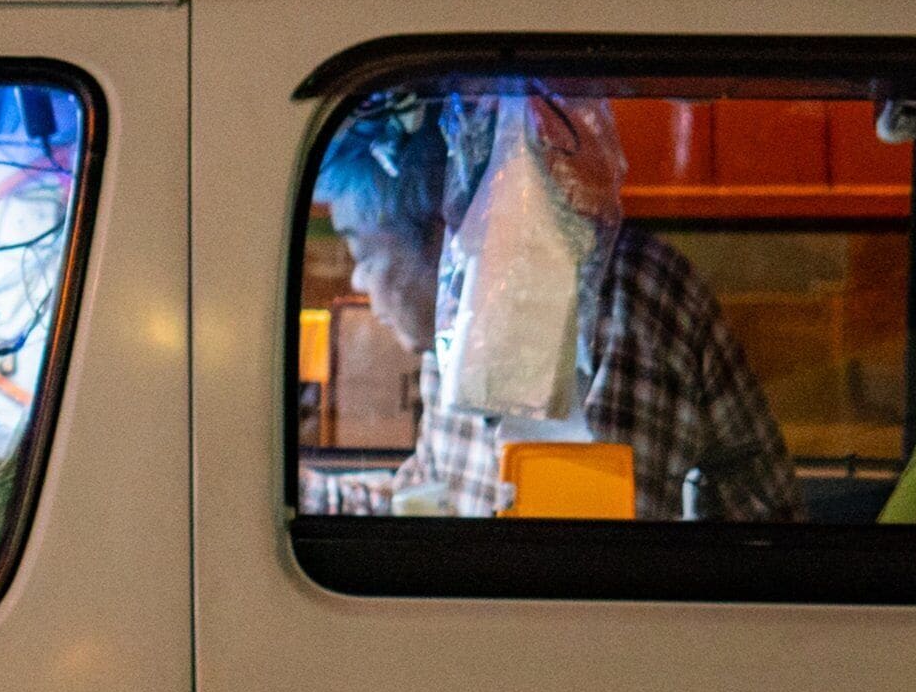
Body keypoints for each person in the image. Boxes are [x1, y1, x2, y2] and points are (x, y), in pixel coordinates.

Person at [309, 94, 796, 522]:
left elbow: (585, 558)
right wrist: (310, 493)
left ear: (441, 238)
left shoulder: (618, 304)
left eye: (364, 254)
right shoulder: (452, 342)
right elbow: (434, 498)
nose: (357, 280)